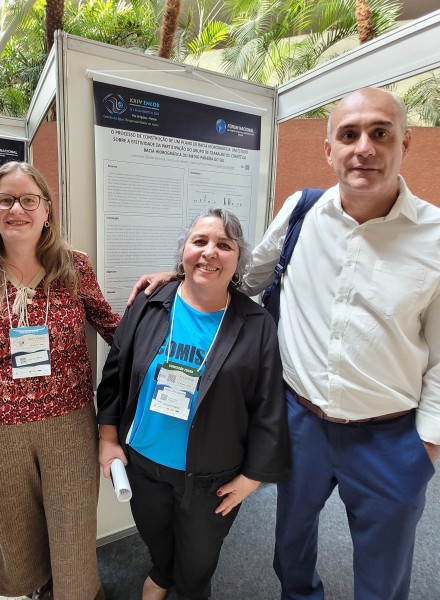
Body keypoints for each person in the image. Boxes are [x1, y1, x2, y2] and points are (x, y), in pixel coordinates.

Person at [129, 88, 440, 600]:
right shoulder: (303, 212)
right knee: (290, 551)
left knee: (383, 576)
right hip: (301, 425)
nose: (364, 147)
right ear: (329, 150)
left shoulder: (432, 236)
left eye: (380, 133)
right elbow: (248, 279)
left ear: (405, 143)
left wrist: (424, 448)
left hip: (391, 437)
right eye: (349, 134)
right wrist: (188, 277)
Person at [97, 208, 289, 600]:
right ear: (183, 250)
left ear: (238, 259)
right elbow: (115, 372)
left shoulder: (256, 324)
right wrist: (108, 437)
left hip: (211, 479)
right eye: (199, 241)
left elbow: (269, 406)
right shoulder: (150, 303)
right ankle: (161, 574)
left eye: (224, 245)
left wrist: (253, 477)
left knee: (198, 562)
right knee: (157, 539)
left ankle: (185, 587)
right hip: (144, 464)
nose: (209, 252)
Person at [0, 161, 119, 600]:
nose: (16, 210)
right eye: (5, 200)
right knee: (14, 530)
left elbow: (113, 327)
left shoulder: (74, 267)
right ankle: (36, 589)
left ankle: (79, 592)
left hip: (67, 421)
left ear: (46, 209)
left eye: (29, 200)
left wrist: (172, 293)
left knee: (72, 525)